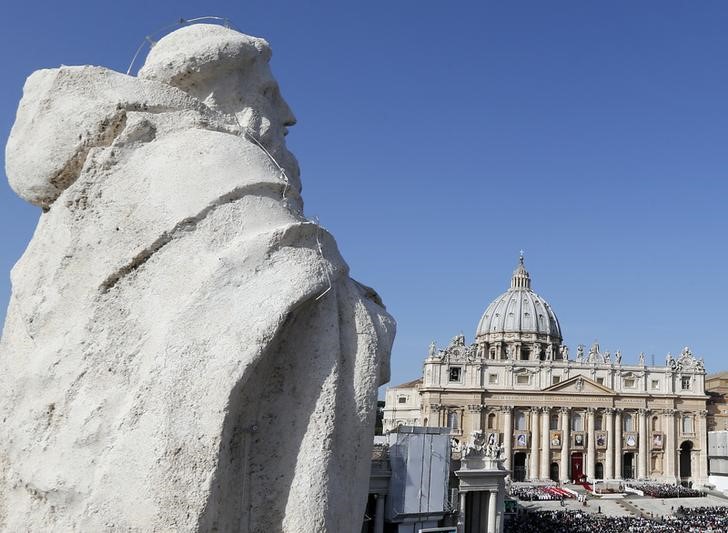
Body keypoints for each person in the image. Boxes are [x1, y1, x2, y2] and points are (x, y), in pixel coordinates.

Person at [1, 24, 394, 532]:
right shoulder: (221, 170)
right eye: (269, 94)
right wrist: (372, 317)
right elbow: (306, 290)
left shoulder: (84, 198)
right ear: (217, 90)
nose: (288, 115)